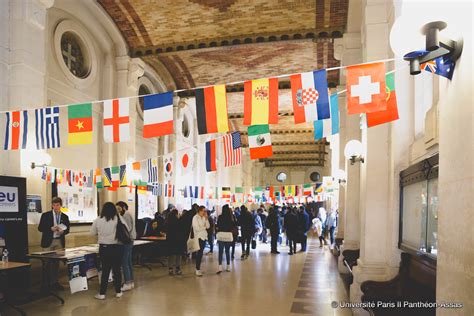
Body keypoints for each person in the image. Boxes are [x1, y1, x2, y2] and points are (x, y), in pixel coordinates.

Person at [90, 202, 128, 300]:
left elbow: (92, 233)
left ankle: (102, 293)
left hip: (104, 248)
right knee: (117, 270)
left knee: (105, 270)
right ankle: (118, 291)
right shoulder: (117, 218)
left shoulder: (98, 220)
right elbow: (126, 228)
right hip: (116, 248)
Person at [38, 197, 70, 290]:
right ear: (52, 205)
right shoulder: (46, 215)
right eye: (54, 205)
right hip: (48, 241)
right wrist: (50, 229)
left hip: (59, 241)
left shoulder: (65, 216)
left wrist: (63, 232)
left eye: (58, 205)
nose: (56, 207)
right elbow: (40, 228)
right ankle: (45, 284)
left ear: (61, 205)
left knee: (56, 263)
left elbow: (68, 229)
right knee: (46, 262)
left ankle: (55, 282)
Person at [116, 201, 136, 291]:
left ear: (123, 207)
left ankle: (128, 282)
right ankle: (130, 281)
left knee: (125, 262)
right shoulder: (126, 214)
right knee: (128, 261)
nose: (118, 211)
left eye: (119, 209)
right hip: (129, 240)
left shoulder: (126, 215)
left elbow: (127, 228)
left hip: (127, 241)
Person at [215, 204, 237, 273]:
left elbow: (218, 225)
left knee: (220, 252)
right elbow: (234, 225)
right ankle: (228, 266)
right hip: (228, 235)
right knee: (227, 251)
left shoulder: (220, 217)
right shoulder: (231, 217)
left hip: (221, 235)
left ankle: (220, 267)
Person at [164, 208, 186, 275]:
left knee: (171, 255)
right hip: (178, 241)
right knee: (178, 255)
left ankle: (170, 269)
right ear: (176, 214)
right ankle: (177, 269)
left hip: (170, 241)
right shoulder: (178, 221)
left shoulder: (167, 222)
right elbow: (181, 230)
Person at [192, 206, 210, 276]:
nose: (204, 212)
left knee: (201, 253)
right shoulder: (195, 218)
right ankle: (197, 269)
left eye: (205, 211)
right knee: (199, 254)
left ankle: (198, 268)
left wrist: (206, 219)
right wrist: (204, 227)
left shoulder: (204, 217)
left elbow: (208, 226)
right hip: (198, 237)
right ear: (199, 211)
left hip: (204, 237)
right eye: (203, 211)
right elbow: (196, 228)